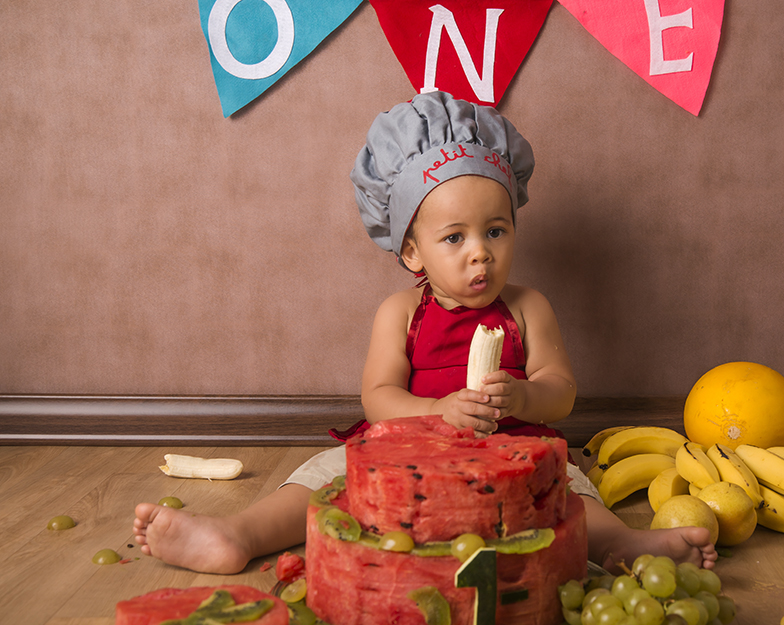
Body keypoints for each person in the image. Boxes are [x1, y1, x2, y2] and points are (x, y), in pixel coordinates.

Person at [133, 92, 717, 576]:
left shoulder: (527, 307)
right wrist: (440, 412)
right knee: (320, 476)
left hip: (514, 449)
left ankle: (621, 544)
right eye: (454, 238)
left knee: (571, 488)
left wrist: (524, 396)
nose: (480, 255)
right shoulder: (398, 314)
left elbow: (560, 389)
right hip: (405, 445)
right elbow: (378, 399)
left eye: (496, 230)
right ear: (411, 250)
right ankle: (237, 535)